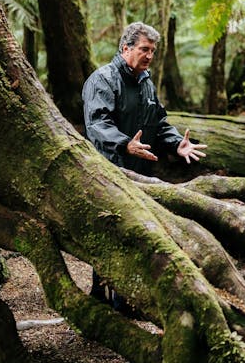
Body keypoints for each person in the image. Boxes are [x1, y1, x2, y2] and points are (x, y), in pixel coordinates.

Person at [82, 21, 207, 305]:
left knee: (136, 235)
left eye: (152, 50)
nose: (149, 55)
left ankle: (125, 301)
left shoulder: (146, 83)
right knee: (110, 236)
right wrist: (125, 143)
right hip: (108, 172)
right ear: (126, 48)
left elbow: (158, 123)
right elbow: (97, 124)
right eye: (144, 49)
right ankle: (102, 299)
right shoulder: (103, 79)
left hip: (141, 176)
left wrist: (177, 143)